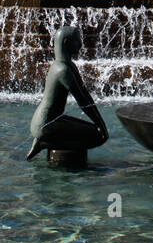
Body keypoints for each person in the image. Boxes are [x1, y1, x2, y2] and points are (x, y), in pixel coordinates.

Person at [25, 25, 109, 161]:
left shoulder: (66, 65)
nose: (81, 44)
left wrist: (101, 124)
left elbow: (85, 94)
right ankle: (46, 143)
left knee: (95, 130)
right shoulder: (63, 70)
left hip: (50, 120)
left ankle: (44, 141)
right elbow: (82, 100)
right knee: (98, 136)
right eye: (77, 40)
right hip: (45, 125)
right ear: (66, 43)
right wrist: (101, 127)